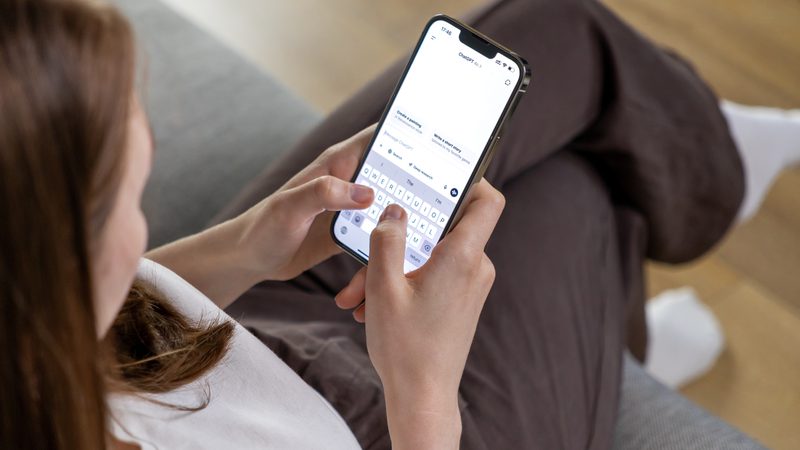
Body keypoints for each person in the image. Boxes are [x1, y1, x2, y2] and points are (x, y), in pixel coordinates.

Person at [1, 0, 797, 449]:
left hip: (219, 341)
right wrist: (424, 397)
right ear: (50, 262)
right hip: (398, 431)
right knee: (572, 180)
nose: (144, 228)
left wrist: (243, 248)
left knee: (551, 30)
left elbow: (82, 342)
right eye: (132, 205)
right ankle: (671, 253)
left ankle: (704, 192)